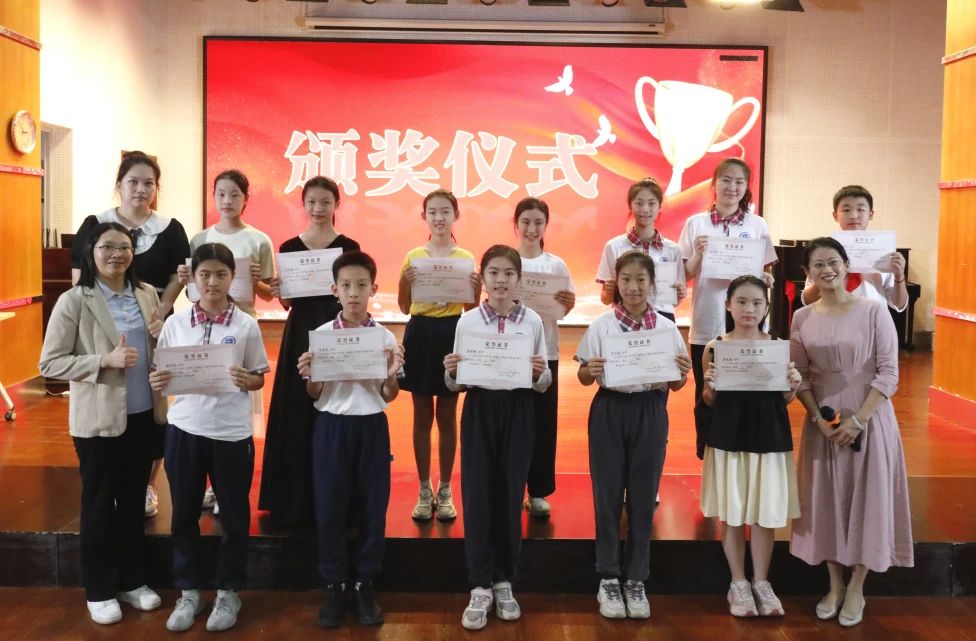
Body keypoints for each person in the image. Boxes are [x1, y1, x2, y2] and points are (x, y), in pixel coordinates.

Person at [39, 222, 166, 625]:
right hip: (97, 420)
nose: (117, 254)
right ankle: (99, 589)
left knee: (132, 502)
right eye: (107, 247)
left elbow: (157, 349)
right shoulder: (75, 300)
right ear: (91, 252)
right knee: (98, 504)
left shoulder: (146, 293)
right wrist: (103, 361)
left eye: (124, 247)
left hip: (143, 414)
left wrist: (163, 342)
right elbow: (50, 363)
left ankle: (132, 581)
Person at [789, 237, 913, 627]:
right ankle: (834, 584)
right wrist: (819, 420)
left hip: (869, 415)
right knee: (825, 498)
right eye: (818, 265)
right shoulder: (801, 318)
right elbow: (799, 376)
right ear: (808, 273)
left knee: (868, 496)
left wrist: (859, 420)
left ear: (846, 265)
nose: (827, 270)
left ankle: (857, 585)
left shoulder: (874, 311)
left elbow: (889, 373)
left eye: (833, 262)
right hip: (823, 419)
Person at [150, 243, 270, 633]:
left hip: (231, 434)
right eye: (205, 274)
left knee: (234, 516)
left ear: (233, 277)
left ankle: (229, 590)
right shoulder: (176, 323)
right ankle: (189, 591)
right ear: (193, 278)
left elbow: (258, 376)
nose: (213, 282)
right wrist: (158, 380)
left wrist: (247, 379)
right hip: (184, 430)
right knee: (183, 514)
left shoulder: (246, 325)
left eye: (221, 274)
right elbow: (161, 372)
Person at [68, 151, 191, 519]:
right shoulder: (96, 224)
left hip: (152, 324)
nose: (140, 189)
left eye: (148, 183)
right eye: (133, 181)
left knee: (152, 405)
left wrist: (161, 308)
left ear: (156, 188)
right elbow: (79, 277)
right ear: (119, 185)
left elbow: (179, 274)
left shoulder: (170, 227)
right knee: (107, 403)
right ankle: (107, 484)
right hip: (103, 328)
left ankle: (146, 486)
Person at [575, 250, 691, 620]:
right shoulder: (602, 326)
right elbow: (583, 376)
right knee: (607, 494)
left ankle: (636, 578)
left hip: (650, 410)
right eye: (626, 279)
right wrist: (591, 370)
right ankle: (609, 576)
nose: (633, 287)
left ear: (652, 283)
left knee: (643, 497)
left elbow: (676, 384)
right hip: (609, 409)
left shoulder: (667, 329)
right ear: (617, 283)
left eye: (641, 280)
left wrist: (682, 373)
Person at [443, 245, 551, 631]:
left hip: (518, 410)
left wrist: (538, 373)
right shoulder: (468, 321)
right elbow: (455, 383)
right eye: (493, 273)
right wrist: (451, 371)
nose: (501, 280)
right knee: (477, 494)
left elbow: (544, 382)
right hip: (479, 409)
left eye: (508, 273)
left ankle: (504, 580)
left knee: (510, 493)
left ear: (519, 279)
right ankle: (479, 584)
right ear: (483, 278)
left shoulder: (532, 321)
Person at [297, 251, 405, 629]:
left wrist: (391, 373)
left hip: (372, 426)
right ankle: (334, 583)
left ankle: (364, 582)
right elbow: (314, 393)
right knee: (330, 507)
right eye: (346, 285)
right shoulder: (322, 336)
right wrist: (311, 374)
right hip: (332, 427)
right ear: (335, 290)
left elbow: (389, 394)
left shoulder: (385, 337)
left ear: (374, 288)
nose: (354, 293)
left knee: (374, 507)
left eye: (361, 285)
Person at [258, 176, 360, 526]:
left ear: (336, 205)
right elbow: (288, 302)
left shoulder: (348, 246)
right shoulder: (289, 247)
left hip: (337, 328)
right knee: (296, 408)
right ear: (304, 204)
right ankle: (292, 497)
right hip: (300, 331)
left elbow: (352, 291)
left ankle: (336, 495)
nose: (318, 209)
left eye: (325, 202)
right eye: (312, 202)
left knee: (335, 407)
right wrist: (279, 290)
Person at [700, 276, 802, 618]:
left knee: (764, 512)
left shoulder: (778, 347)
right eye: (741, 302)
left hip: (768, 436)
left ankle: (761, 581)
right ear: (728, 305)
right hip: (728, 436)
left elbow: (783, 399)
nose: (749, 309)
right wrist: (710, 387)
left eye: (757, 303)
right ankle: (738, 583)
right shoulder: (715, 347)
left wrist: (792, 387)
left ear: (766, 307)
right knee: (732, 512)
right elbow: (708, 400)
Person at [180, 169, 275, 514]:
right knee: (204, 401)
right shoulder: (200, 238)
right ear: (214, 197)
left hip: (240, 328)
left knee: (236, 404)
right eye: (221, 194)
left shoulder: (259, 240)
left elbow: (268, 293)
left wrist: (258, 281)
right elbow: (193, 291)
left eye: (235, 194)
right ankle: (209, 486)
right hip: (204, 329)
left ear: (246, 199)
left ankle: (227, 489)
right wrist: (185, 279)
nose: (227, 201)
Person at [677, 158, 777, 460]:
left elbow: (765, 272)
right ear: (714, 184)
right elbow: (683, 276)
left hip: (749, 326)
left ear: (746, 187)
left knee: (748, 392)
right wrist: (698, 255)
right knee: (707, 393)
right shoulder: (696, 224)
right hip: (707, 321)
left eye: (739, 182)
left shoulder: (757, 225)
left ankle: (744, 455)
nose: (732, 187)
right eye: (726, 180)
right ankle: (708, 457)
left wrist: (766, 278)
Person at [397, 189, 480, 522]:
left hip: (452, 333)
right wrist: (405, 282)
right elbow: (404, 307)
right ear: (424, 217)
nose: (439, 217)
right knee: (421, 416)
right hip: (419, 333)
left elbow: (471, 309)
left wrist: (475, 287)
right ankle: (423, 488)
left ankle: (445, 488)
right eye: (432, 212)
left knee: (447, 415)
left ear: (455, 215)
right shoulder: (413, 256)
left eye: (445, 211)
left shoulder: (465, 258)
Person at [513, 197, 575, 518]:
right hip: (510, 354)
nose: (531, 228)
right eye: (526, 221)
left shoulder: (556, 265)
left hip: (544, 352)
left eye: (538, 222)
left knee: (543, 424)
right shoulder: (507, 261)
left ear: (546, 225)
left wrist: (568, 303)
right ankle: (511, 487)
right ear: (516, 224)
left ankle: (538, 491)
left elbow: (565, 308)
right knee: (513, 424)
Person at [800, 185, 908, 311]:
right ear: (835, 215)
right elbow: (808, 300)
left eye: (861, 209)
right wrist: (826, 276)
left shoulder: (884, 252)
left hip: (874, 319)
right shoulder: (822, 251)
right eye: (846, 210)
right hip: (833, 318)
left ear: (871, 214)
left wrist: (899, 275)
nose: (854, 215)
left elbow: (899, 304)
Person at [596, 177, 687, 320]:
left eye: (651, 203)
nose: (645, 209)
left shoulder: (672, 249)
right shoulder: (613, 246)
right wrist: (608, 291)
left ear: (659, 206)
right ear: (630, 205)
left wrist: (680, 294)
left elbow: (674, 301)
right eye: (639, 203)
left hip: (662, 319)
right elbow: (605, 299)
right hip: (625, 319)